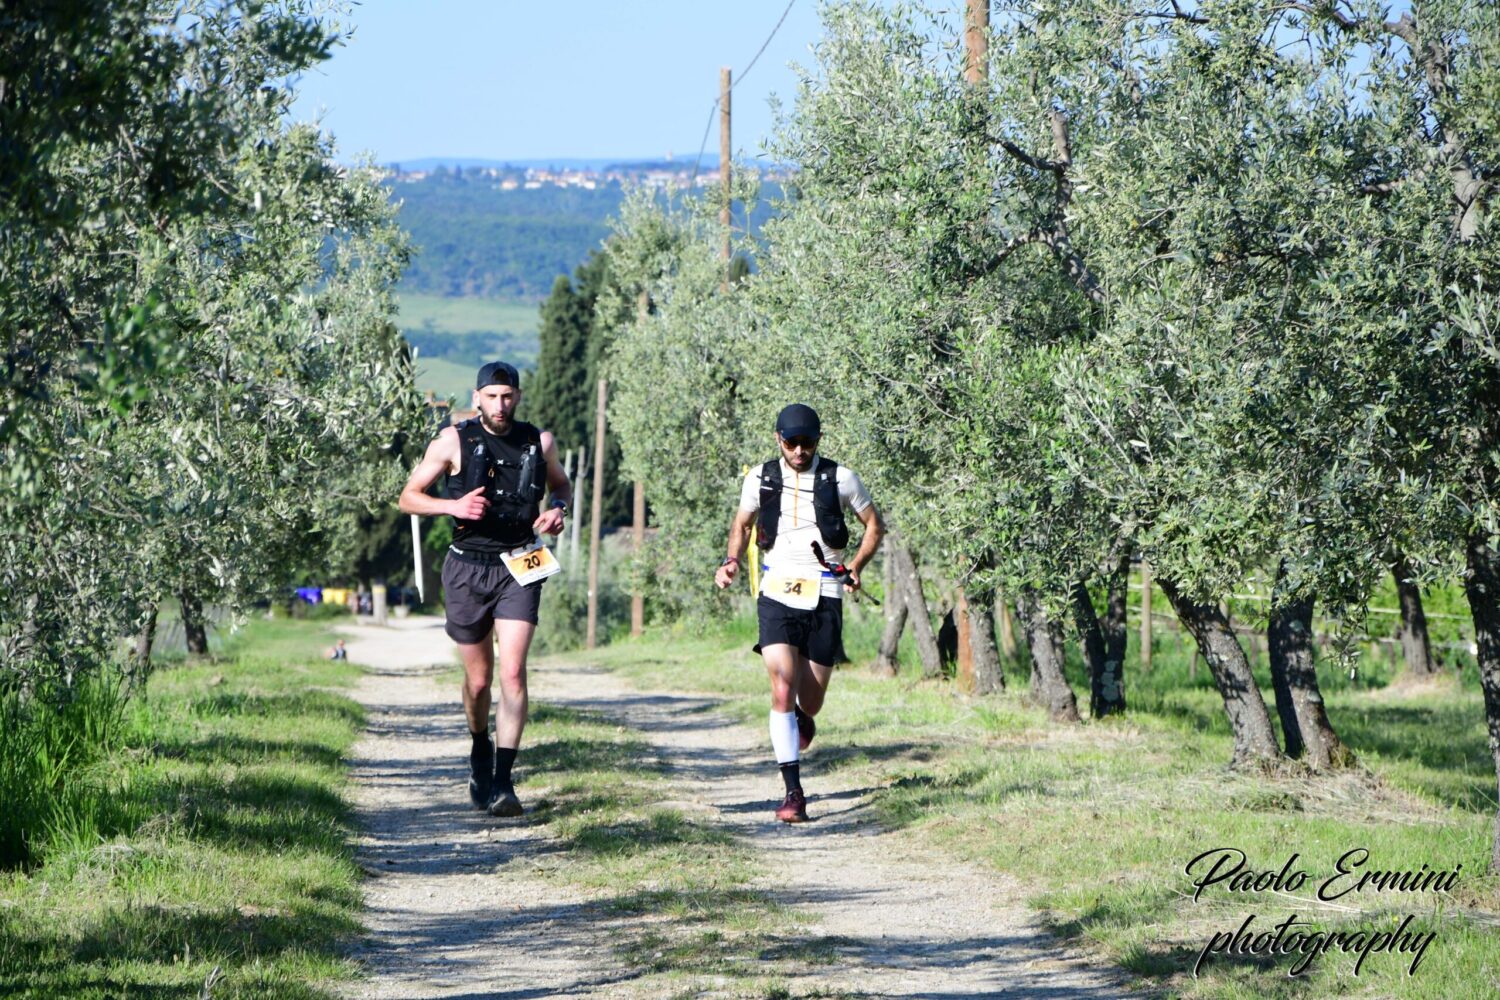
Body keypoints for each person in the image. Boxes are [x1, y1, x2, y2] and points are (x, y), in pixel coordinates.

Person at [399, 361, 571, 817]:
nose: (501, 404)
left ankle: (503, 781)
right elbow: (408, 496)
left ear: (517, 397)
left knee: (512, 673)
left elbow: (562, 486)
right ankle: (480, 746)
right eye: (491, 396)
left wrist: (558, 509)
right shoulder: (454, 440)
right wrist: (452, 504)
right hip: (466, 568)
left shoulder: (540, 441)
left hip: (521, 561)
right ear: (477, 398)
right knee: (479, 681)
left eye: (508, 396)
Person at [715, 403, 884, 822]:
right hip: (777, 587)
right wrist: (732, 560)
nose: (799, 450)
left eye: (807, 443)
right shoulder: (760, 478)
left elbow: (874, 526)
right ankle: (793, 792)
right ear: (778, 440)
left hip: (825, 589)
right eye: (792, 443)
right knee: (781, 683)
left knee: (811, 698)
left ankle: (802, 716)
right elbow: (743, 523)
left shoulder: (841, 479)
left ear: (818, 442)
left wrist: (855, 568)